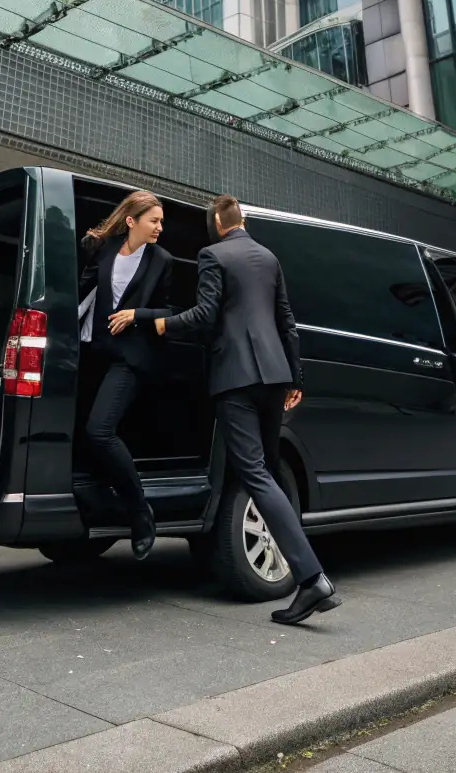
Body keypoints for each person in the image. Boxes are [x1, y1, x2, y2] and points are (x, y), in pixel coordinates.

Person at [112, 193, 339, 625]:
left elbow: (204, 314)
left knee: (253, 472)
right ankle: (306, 577)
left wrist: (156, 322)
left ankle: (312, 579)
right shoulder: (268, 257)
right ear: (242, 219)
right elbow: (286, 320)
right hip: (274, 378)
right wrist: (296, 379)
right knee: (267, 473)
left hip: (236, 378)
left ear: (217, 221)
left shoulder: (212, 255)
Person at [79, 190, 174, 560]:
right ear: (132, 221)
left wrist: (137, 315)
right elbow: (81, 289)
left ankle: (140, 512)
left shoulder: (161, 260)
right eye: (154, 220)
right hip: (93, 352)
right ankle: (102, 503)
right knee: (84, 434)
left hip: (131, 358)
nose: (160, 228)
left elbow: (166, 308)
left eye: (161, 221)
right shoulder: (104, 249)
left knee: (99, 431)